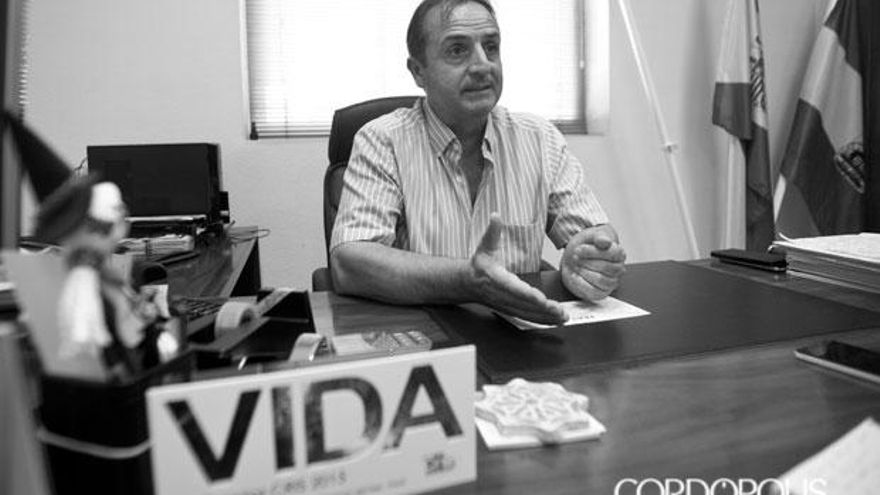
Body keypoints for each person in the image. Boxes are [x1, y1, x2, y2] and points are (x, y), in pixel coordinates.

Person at [330, 0, 625, 324]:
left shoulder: (540, 139)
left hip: (519, 335)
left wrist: (591, 258)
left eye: (491, 47)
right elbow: (350, 264)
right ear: (418, 71)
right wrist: (467, 282)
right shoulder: (382, 140)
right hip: (424, 335)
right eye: (458, 50)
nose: (483, 65)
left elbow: (594, 232)